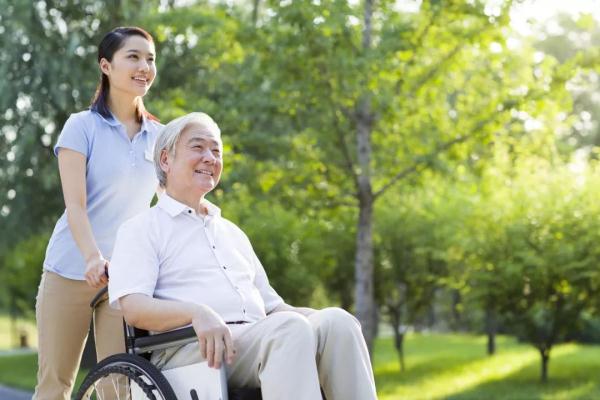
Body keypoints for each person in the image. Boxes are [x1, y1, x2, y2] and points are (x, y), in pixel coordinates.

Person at [108, 112, 378, 400]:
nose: (210, 157)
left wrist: (322, 317)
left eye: (216, 150)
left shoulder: (231, 233)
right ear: (165, 160)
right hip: (190, 349)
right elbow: (134, 308)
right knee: (288, 330)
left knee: (338, 322)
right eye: (198, 147)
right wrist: (196, 312)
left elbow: (274, 309)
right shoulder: (142, 228)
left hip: (256, 338)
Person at [34, 27, 162, 400]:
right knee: (55, 386)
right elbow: (75, 205)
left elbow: (169, 202)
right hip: (70, 269)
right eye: (133, 57)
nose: (144, 67)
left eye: (150, 58)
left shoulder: (161, 136)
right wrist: (93, 257)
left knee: (119, 388)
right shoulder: (81, 126)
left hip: (123, 279)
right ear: (106, 66)